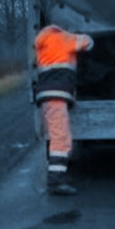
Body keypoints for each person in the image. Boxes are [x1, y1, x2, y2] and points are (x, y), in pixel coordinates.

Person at [34, 25, 94, 195]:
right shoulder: (62, 38)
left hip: (46, 96)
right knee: (60, 139)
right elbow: (89, 43)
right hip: (56, 96)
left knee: (60, 137)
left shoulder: (43, 42)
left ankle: (58, 176)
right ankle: (55, 181)